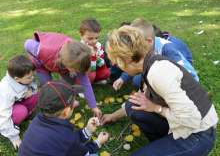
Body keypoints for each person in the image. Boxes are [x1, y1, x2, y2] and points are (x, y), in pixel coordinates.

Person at [101, 26, 218, 155]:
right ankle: (164, 144)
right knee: (132, 106)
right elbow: (140, 99)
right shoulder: (149, 62)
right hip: (183, 123)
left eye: (116, 63)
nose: (116, 66)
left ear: (125, 60)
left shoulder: (157, 74)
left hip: (198, 133)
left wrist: (157, 108)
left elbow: (191, 119)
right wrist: (113, 116)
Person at [18, 80, 109, 156]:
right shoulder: (65, 136)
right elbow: (83, 153)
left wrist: (87, 130)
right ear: (66, 112)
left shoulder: (37, 120)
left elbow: (69, 141)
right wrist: (98, 142)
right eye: (73, 104)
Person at [24, 32, 102, 117]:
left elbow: (85, 84)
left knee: (68, 82)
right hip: (42, 63)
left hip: (61, 64)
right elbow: (27, 43)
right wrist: (35, 60)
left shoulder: (78, 58)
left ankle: (66, 101)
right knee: (47, 85)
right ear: (67, 63)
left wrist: (93, 106)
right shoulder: (44, 50)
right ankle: (50, 108)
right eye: (75, 69)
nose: (77, 72)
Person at [112, 18, 199, 90]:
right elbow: (134, 61)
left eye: (135, 44)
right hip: (162, 74)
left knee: (141, 82)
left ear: (149, 41)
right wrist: (122, 78)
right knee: (138, 81)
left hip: (182, 85)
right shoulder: (146, 48)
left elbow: (188, 74)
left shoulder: (168, 49)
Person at [0, 55, 38, 150]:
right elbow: (3, 115)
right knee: (21, 111)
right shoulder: (6, 91)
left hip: (16, 102)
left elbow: (32, 88)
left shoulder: (22, 77)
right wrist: (14, 137)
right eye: (29, 77)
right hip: (4, 113)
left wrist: (29, 92)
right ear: (17, 79)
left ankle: (28, 116)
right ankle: (14, 124)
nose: (32, 78)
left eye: (32, 75)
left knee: (35, 95)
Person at [80, 18, 110, 84]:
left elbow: (101, 64)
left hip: (95, 67)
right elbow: (88, 68)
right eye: (90, 38)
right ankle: (84, 84)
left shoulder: (98, 46)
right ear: (81, 36)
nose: (94, 41)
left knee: (106, 73)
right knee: (91, 75)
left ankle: (94, 81)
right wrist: (92, 57)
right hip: (84, 71)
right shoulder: (80, 47)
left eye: (96, 38)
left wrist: (96, 56)